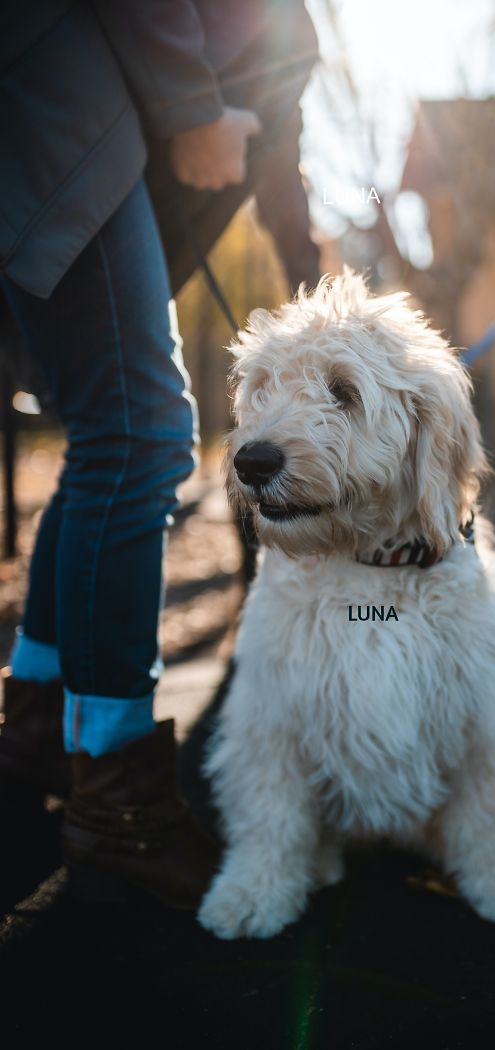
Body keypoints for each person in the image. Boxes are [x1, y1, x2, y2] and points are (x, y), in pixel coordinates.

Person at [0, 1, 267, 908]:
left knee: (106, 442)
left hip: (48, 88)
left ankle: (37, 730)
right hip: (55, 91)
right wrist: (192, 106)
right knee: (144, 437)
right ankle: (115, 789)